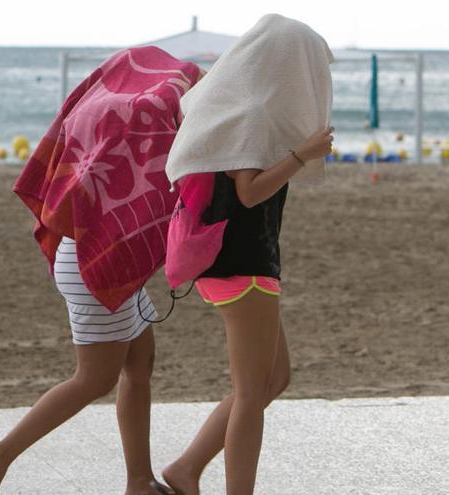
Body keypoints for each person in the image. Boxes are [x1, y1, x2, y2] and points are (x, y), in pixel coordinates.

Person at [0, 47, 204, 495]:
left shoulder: (115, 132)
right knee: (95, 378)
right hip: (96, 264)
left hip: (101, 260)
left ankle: (138, 481)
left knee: (140, 363)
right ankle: (0, 453)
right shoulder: (138, 134)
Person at [160, 15, 335, 495]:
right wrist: (304, 152)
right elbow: (250, 192)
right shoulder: (253, 112)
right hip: (244, 265)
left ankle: (186, 469)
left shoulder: (242, 103)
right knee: (252, 393)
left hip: (238, 263)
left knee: (274, 378)